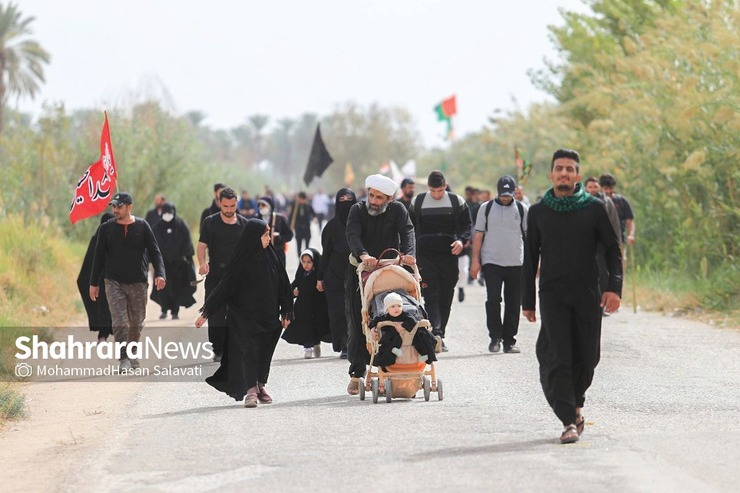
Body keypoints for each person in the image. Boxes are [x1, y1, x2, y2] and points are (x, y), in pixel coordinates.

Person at [522, 149, 622, 444]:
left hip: (588, 293)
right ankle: (568, 419)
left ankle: (576, 404)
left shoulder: (594, 208)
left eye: (570, 169)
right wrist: (528, 301)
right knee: (558, 356)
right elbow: (530, 260)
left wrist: (613, 287)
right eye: (559, 168)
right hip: (552, 294)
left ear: (577, 175)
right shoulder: (538, 212)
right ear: (551, 174)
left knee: (589, 355)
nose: (564, 173)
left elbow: (613, 251)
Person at [195, 219, 293, 408]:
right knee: (249, 350)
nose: (268, 238)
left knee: (265, 352)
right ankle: (250, 391)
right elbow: (224, 287)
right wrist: (206, 312)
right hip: (243, 317)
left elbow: (283, 285)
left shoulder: (271, 256)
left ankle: (260, 385)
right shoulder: (241, 260)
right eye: (265, 234)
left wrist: (287, 311)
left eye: (268, 233)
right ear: (254, 237)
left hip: (269, 316)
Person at [344, 174, 416, 395]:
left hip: (389, 272)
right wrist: (364, 255)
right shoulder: (357, 210)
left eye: (379, 198)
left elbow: (408, 232)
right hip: (361, 272)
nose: (374, 201)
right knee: (359, 323)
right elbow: (352, 234)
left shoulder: (398, 211)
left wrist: (409, 255)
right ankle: (357, 375)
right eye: (371, 196)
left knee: (391, 319)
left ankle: (392, 368)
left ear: (390, 198)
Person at [89, 192, 166, 371]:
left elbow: (155, 252)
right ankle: (123, 358)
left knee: (137, 323)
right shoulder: (106, 229)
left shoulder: (142, 226)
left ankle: (132, 352)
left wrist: (160, 273)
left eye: (119, 206)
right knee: (120, 321)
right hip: (113, 281)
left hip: (138, 282)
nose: (115, 210)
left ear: (129, 207)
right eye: (113, 206)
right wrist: (93, 283)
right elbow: (98, 257)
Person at [408, 171, 471, 352]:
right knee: (431, 296)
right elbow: (409, 228)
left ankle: (440, 333)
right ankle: (435, 333)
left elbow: (467, 225)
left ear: (445, 186)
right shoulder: (417, 202)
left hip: (449, 255)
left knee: (446, 296)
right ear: (429, 188)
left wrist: (461, 240)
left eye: (440, 190)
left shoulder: (456, 201)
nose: (437, 194)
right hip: (426, 256)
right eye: (433, 191)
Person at [470, 176, 528, 354]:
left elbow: (529, 237)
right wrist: (475, 261)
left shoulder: (522, 208)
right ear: (497, 191)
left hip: (516, 262)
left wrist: (535, 262)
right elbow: (478, 236)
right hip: (492, 262)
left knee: (513, 302)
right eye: (503, 194)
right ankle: (495, 337)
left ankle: (509, 341)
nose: (505, 197)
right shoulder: (485, 208)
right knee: (493, 299)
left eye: (509, 194)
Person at [198, 187, 249, 362]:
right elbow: (202, 246)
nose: (229, 210)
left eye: (232, 206)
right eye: (225, 206)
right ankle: (218, 349)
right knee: (215, 315)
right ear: (219, 203)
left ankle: (234, 348)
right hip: (216, 277)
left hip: (238, 278)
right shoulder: (210, 222)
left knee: (237, 315)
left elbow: (251, 250)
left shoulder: (244, 224)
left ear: (236, 204)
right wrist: (202, 263)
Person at [316, 188, 356, 358]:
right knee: (338, 311)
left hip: (356, 274)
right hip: (334, 276)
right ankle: (343, 344)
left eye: (349, 199)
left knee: (354, 310)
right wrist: (320, 277)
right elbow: (326, 254)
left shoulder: (360, 223)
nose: (346, 203)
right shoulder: (331, 227)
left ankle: (355, 343)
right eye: (342, 200)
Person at [150, 202, 196, 320]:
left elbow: (187, 242)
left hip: (178, 264)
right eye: (165, 213)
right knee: (163, 288)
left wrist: (188, 258)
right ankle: (164, 309)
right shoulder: (157, 227)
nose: (167, 215)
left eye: (170, 213)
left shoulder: (181, 225)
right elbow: (152, 245)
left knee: (177, 288)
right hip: (162, 265)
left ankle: (175, 311)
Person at [282, 248, 331, 358]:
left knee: (316, 327)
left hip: (317, 307)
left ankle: (316, 344)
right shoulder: (301, 273)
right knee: (305, 328)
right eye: (303, 262)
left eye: (309, 262)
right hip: (303, 308)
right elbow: (294, 285)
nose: (306, 265)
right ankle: (308, 348)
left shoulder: (319, 275)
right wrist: (293, 293)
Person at [371, 292, 437, 369]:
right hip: (393, 339)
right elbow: (374, 321)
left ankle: (425, 356)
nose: (396, 308)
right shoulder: (384, 316)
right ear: (387, 309)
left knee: (422, 336)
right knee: (387, 341)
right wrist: (372, 328)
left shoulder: (405, 315)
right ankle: (387, 361)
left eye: (399, 306)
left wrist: (403, 326)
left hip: (409, 337)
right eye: (393, 306)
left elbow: (412, 321)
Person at [77, 212, 114, 343]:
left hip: (114, 282)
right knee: (104, 308)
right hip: (100, 282)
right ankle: (102, 335)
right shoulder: (97, 239)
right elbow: (88, 266)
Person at [585, 177, 622, 303]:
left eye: (595, 187)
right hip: (586, 244)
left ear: (599, 187)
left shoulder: (606, 203)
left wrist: (617, 243)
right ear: (585, 188)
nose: (592, 189)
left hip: (603, 244)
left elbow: (614, 223)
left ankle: (602, 300)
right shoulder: (579, 202)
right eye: (590, 187)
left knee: (602, 271)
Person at [599, 173, 635, 264]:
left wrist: (631, 234)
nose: (608, 191)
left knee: (620, 262)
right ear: (601, 188)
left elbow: (629, 221)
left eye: (610, 188)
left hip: (619, 239)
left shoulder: (622, 201)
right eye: (605, 189)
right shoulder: (597, 201)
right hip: (600, 240)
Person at [257, 196, 294, 267]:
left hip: (278, 254)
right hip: (261, 255)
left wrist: (280, 238)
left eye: (263, 205)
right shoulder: (256, 219)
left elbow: (289, 235)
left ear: (270, 206)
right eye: (259, 205)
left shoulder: (279, 219)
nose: (261, 207)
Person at [289, 191, 314, 257]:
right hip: (298, 228)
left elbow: (313, 214)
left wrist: (314, 218)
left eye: (303, 199)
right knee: (298, 246)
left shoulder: (308, 206)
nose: (301, 201)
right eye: (300, 199)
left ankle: (306, 258)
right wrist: (290, 227)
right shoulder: (295, 206)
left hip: (306, 228)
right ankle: (300, 259)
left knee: (307, 246)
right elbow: (291, 216)